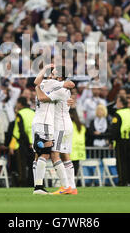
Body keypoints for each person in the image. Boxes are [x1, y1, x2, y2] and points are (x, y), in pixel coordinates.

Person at [35, 66, 77, 195]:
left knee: (54, 154)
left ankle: (66, 186)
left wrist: (37, 88)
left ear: (59, 77)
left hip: (60, 126)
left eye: (53, 73)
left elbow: (43, 98)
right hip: (65, 125)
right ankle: (72, 186)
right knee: (65, 156)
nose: (51, 75)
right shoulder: (61, 88)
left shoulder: (60, 89)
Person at [109, 96, 130, 187]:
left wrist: (111, 141)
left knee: (121, 163)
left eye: (117, 102)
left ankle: (123, 182)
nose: (116, 104)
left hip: (121, 140)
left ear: (121, 104)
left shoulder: (119, 113)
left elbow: (115, 129)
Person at [10, 97, 35, 188]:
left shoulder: (20, 114)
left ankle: (22, 184)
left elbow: (18, 131)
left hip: (23, 143)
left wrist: (12, 145)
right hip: (34, 143)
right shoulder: (33, 112)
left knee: (22, 165)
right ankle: (33, 183)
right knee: (33, 165)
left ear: (20, 104)